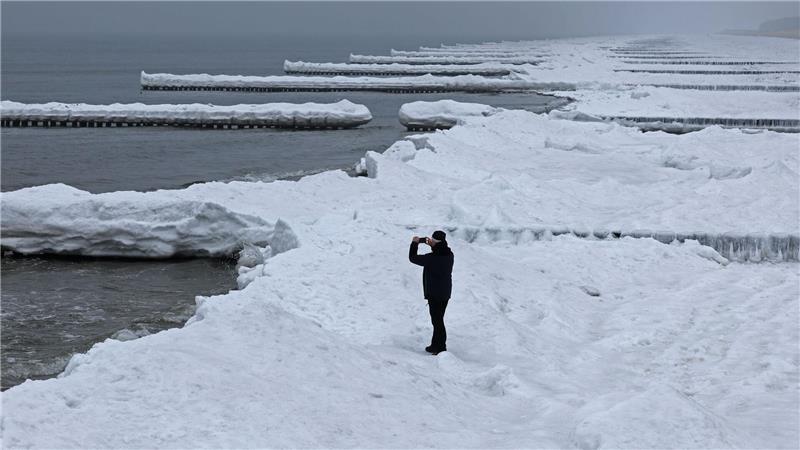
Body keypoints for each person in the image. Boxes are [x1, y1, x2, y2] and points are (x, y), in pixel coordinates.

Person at [409, 230, 454, 355]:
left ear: (435, 242)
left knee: (437, 321)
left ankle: (441, 347)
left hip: (435, 294)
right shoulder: (449, 254)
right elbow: (440, 251)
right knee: (438, 319)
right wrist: (433, 246)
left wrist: (415, 243)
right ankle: (435, 345)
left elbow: (412, 258)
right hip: (445, 292)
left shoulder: (431, 258)